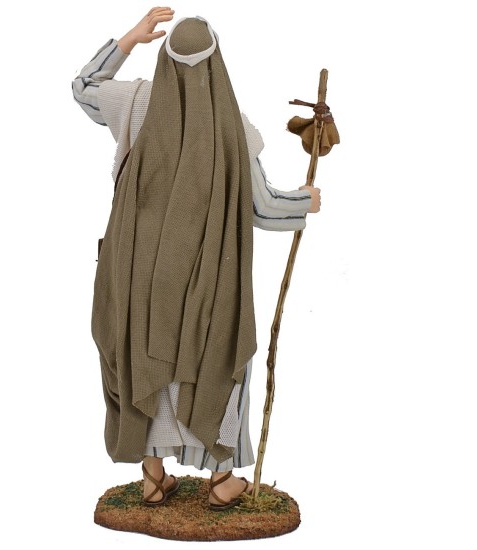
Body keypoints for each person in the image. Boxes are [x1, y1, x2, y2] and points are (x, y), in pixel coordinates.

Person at [72, 7, 321, 511]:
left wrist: (130, 39)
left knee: (139, 356)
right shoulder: (234, 127)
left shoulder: (135, 101)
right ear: (218, 63)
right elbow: (264, 209)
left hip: (135, 272)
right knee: (213, 358)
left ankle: (152, 477)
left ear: (164, 57)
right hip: (207, 277)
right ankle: (222, 479)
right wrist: (304, 200)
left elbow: (84, 87)